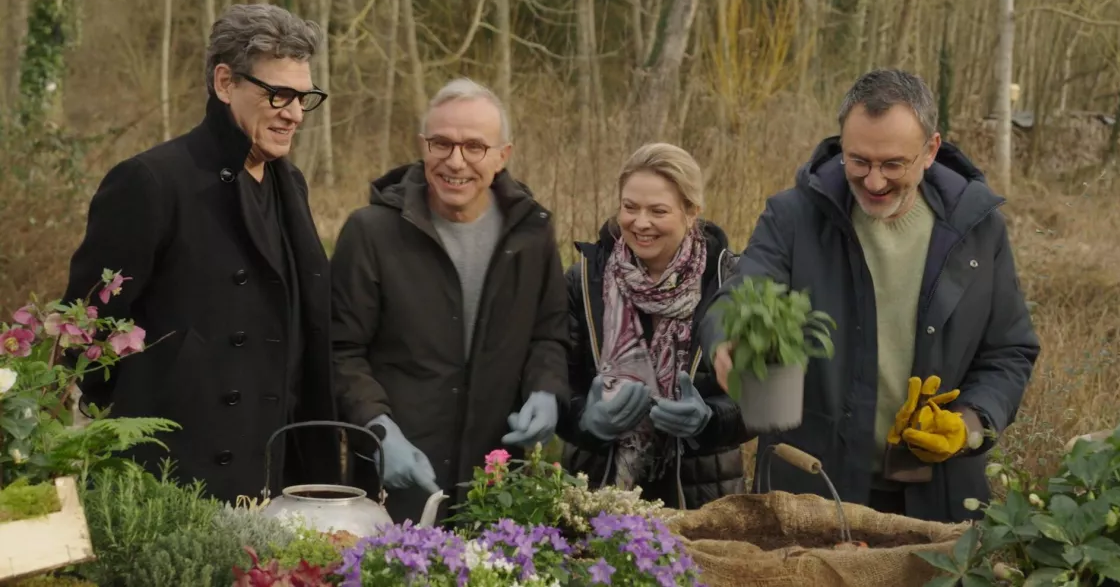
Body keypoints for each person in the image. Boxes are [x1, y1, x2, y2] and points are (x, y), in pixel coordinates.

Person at [700, 68, 1040, 524]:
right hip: (814, 491)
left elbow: (1009, 350)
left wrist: (970, 423)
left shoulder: (976, 230)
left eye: (893, 165)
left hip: (939, 500)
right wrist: (727, 338)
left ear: (930, 150)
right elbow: (740, 293)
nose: (874, 182)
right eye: (858, 161)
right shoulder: (795, 217)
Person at [62, 4, 340, 503]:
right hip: (176, 481)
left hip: (275, 474)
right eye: (278, 94)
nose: (295, 114)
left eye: (304, 98)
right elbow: (85, 331)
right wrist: (146, 425)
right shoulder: (150, 182)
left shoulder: (291, 185)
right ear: (225, 82)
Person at [329, 77, 570, 524]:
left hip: (499, 487)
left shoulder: (531, 234)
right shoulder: (372, 233)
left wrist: (546, 389)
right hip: (396, 487)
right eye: (441, 143)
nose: (455, 161)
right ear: (423, 146)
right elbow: (340, 351)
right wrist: (377, 429)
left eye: (474, 146)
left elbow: (549, 333)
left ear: (503, 156)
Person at [556, 143, 754, 509]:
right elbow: (555, 381)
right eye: (630, 207)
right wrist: (586, 419)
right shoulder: (583, 280)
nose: (640, 223)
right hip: (597, 493)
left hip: (702, 499)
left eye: (658, 211)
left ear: (691, 212)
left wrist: (709, 420)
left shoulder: (733, 283)